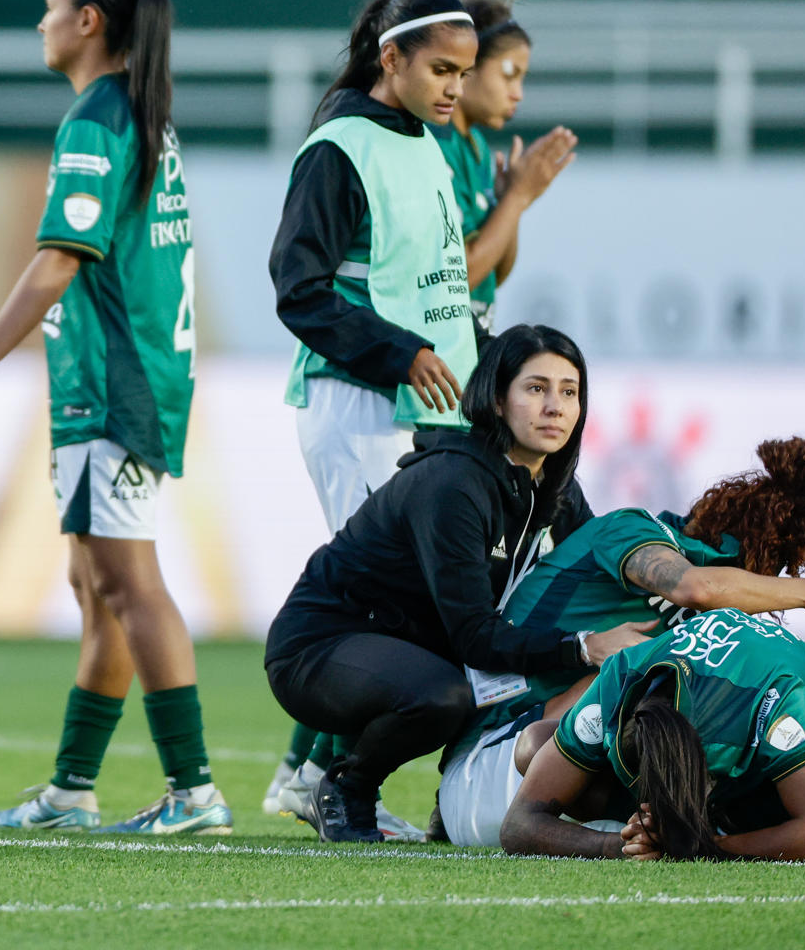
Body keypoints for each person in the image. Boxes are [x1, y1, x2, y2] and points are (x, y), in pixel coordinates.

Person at [0, 0, 231, 836]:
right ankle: (71, 789)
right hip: (127, 379)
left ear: (89, 20)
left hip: (114, 385)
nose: (41, 21)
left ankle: (194, 790)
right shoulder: (140, 113)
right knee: (96, 585)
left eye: (51, 6)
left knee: (129, 584)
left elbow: (60, 260)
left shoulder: (97, 118)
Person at [440, 437, 805, 853]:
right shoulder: (633, 532)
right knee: (624, 686)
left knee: (685, 717)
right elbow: (695, 588)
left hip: (563, 768)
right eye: (781, 565)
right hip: (501, 758)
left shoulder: (719, 631)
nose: (769, 587)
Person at [264, 325, 653, 842]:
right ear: (497, 399)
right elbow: (475, 637)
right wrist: (584, 646)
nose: (554, 407)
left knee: (531, 665)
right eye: (536, 388)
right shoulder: (453, 484)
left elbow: (597, 562)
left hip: (406, 649)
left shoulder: (551, 485)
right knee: (447, 695)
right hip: (318, 646)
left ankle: (449, 805)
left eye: (569, 392)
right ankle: (346, 789)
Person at [263, 0, 486, 816]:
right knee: (382, 605)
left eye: (463, 72)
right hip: (359, 406)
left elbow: (437, 288)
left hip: (426, 413)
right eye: (442, 69)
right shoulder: (339, 148)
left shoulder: (425, 142)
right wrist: (403, 353)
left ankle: (315, 774)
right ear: (390, 58)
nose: (455, 87)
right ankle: (331, 782)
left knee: (405, 604)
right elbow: (300, 290)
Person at [502, 608, 805, 862]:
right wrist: (620, 847)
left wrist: (703, 847)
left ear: (705, 761)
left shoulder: (769, 695)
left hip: (784, 785)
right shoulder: (618, 677)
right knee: (534, 746)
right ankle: (663, 825)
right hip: (719, 783)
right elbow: (518, 825)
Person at [429, 0, 576, 343]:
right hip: (435, 352)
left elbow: (494, 273)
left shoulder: (476, 147)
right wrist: (517, 197)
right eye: (509, 74)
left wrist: (511, 203)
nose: (518, 93)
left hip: (469, 350)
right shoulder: (434, 144)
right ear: (468, 64)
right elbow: (460, 276)